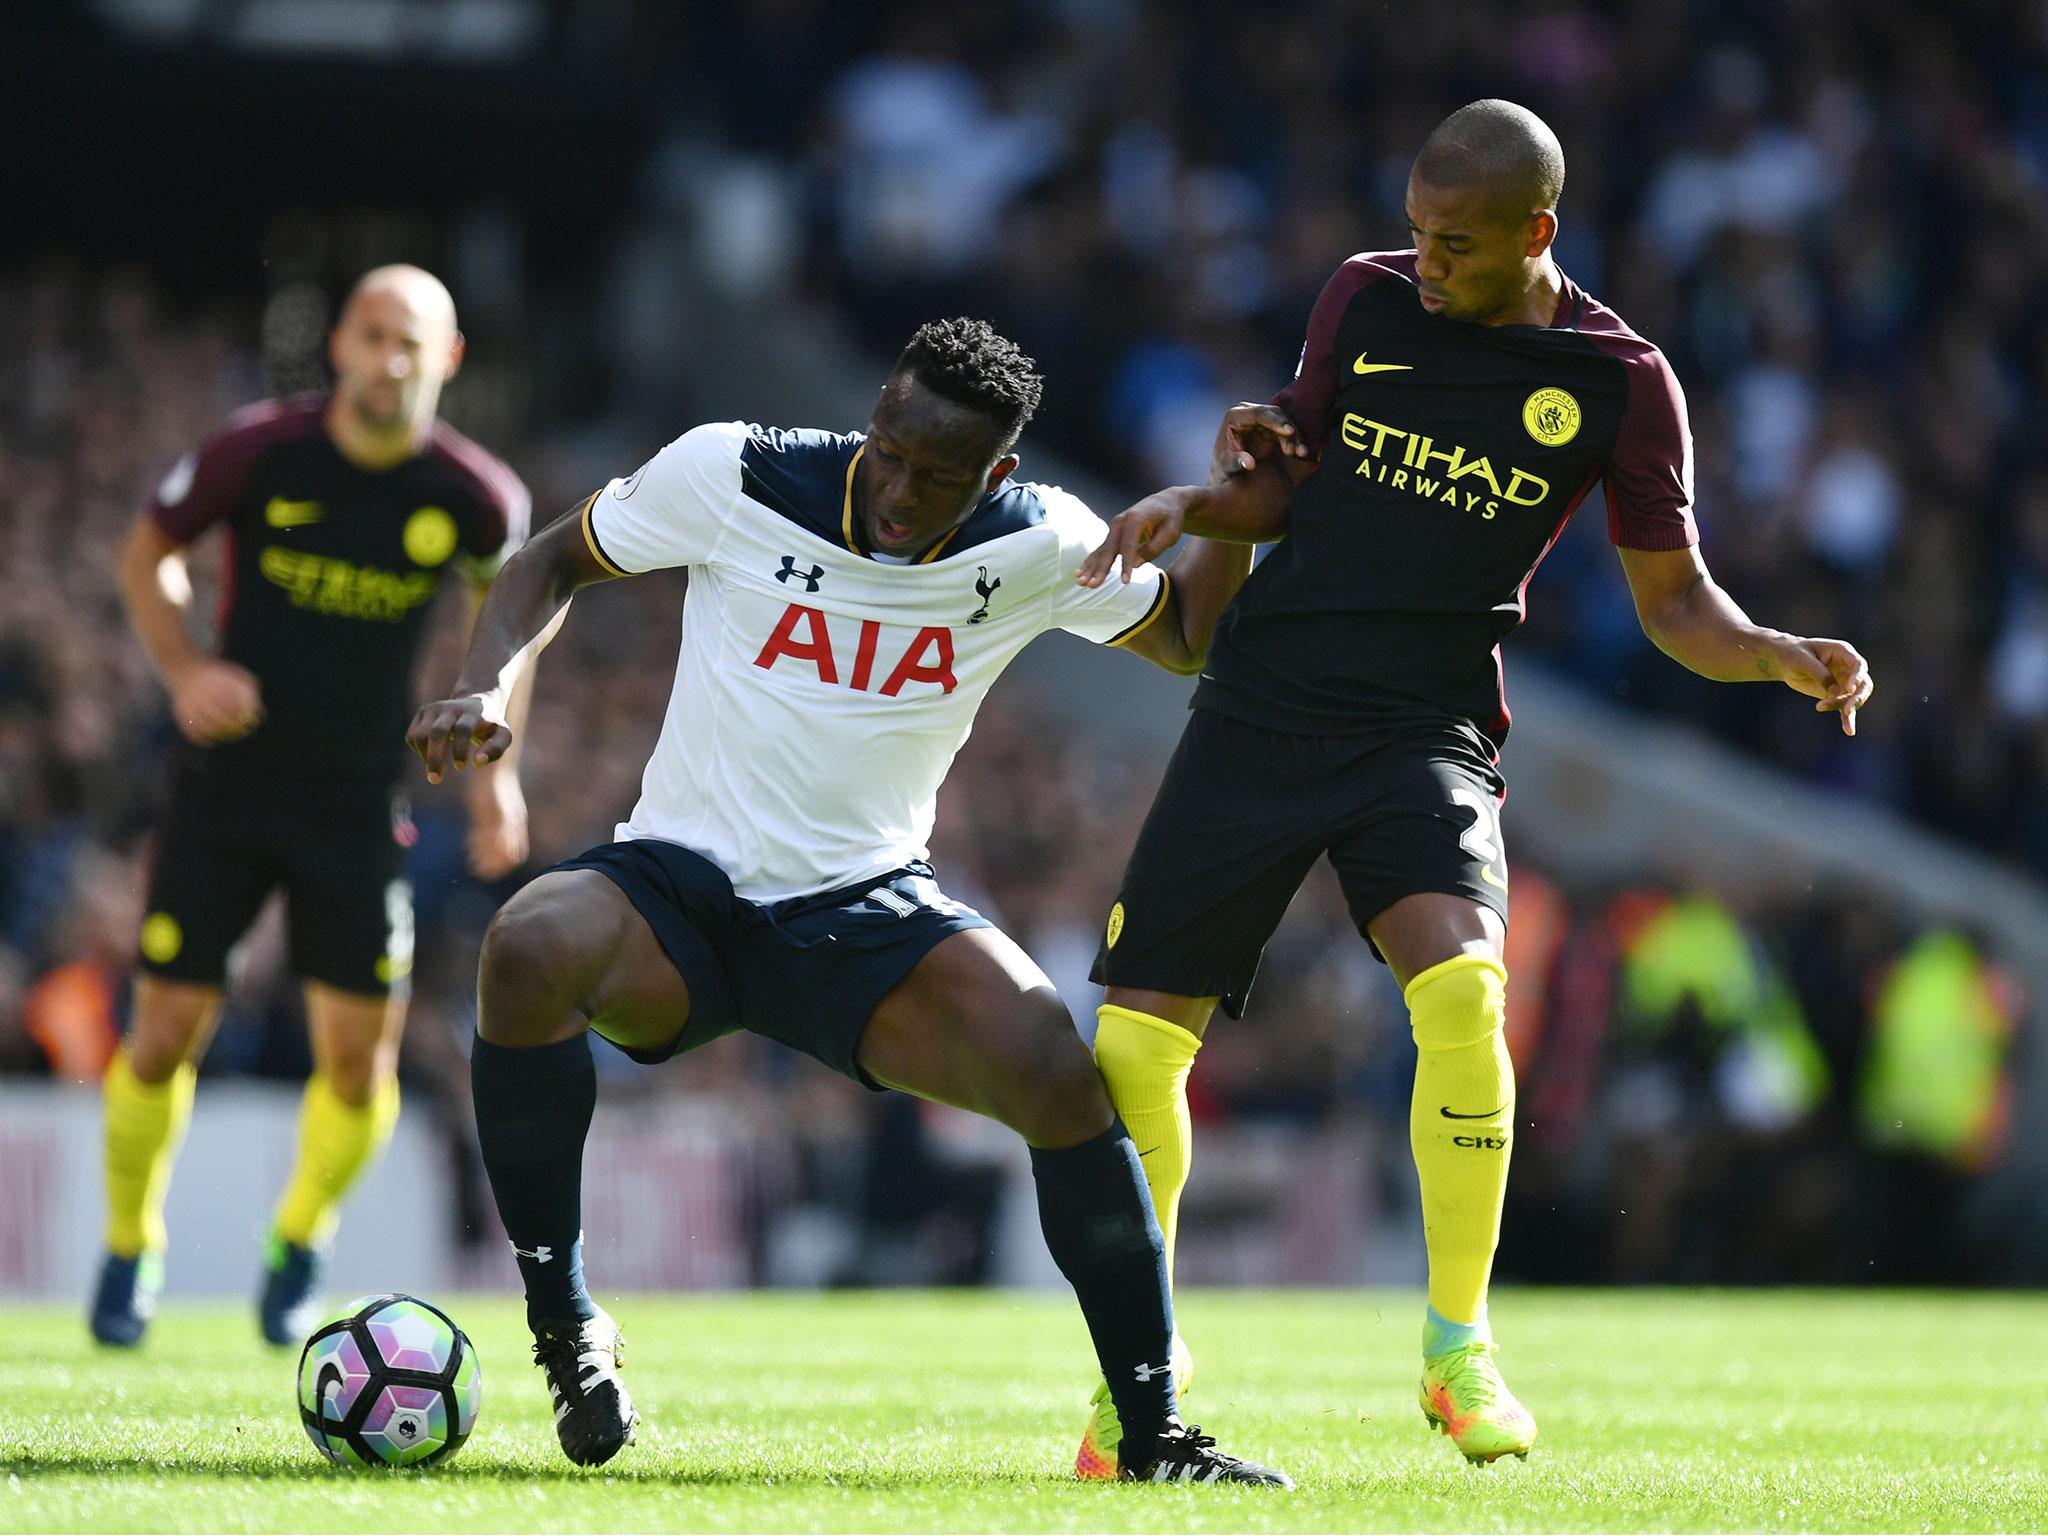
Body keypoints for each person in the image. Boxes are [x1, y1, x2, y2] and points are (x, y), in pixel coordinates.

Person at [1071, 99, 1876, 1470]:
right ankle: (1132, 1388)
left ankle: (1458, 1349)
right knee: (1136, 1051)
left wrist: (1782, 654)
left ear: (1538, 233)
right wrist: (1196, 500)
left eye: (1455, 244)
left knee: (1464, 997)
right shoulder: (1364, 300)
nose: (1426, 263)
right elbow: (1287, 483)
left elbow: (1676, 604)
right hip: (1267, 703)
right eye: (1416, 234)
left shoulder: (1622, 382)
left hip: (1426, 722)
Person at [405, 317, 1292, 1485]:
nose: (898, 490)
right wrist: (479, 681)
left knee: (1053, 1071)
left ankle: (1154, 1434)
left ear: (999, 476)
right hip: (681, 887)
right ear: (872, 412)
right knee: (525, 944)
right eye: (888, 450)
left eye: (939, 476)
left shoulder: (1036, 539)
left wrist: (1225, 512)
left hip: (866, 906)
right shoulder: (736, 471)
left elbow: (1182, 637)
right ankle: (568, 1326)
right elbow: (547, 562)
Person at [93, 266, 537, 1348]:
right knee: (159, 1039)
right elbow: (148, 553)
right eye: (372, 334)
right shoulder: (258, 451)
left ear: (448, 358)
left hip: (354, 801)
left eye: (410, 342)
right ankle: (128, 1244)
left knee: (358, 1066)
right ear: (338, 341)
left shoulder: (475, 495)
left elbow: (517, 612)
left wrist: (496, 769)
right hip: (226, 790)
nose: (388, 360)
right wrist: (186, 668)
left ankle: (298, 1239)